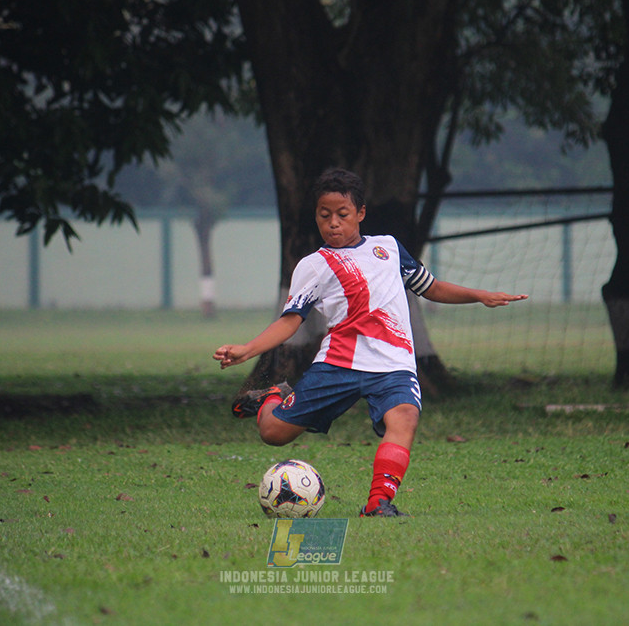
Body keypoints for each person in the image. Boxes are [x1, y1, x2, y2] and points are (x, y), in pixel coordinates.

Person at [213, 167, 527, 516]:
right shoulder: (314, 266)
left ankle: (379, 503)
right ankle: (273, 398)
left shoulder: (388, 248)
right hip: (339, 363)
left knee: (405, 416)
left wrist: (479, 295)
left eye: (342, 215)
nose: (333, 223)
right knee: (273, 432)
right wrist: (247, 349)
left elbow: (431, 287)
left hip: (394, 364)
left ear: (360, 214)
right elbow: (290, 322)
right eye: (324, 215)